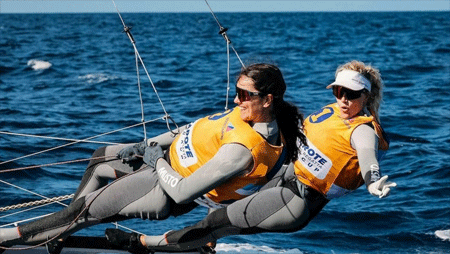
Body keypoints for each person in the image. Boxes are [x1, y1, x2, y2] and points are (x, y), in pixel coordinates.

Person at [0, 63, 306, 254]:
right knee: (100, 158)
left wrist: (154, 158)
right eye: (237, 92)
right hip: (159, 163)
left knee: (80, 214)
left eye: (244, 95)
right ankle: (59, 232)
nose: (237, 100)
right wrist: (144, 144)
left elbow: (182, 191)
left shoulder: (243, 150)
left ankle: (39, 231)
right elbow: (191, 130)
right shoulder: (245, 114)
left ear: (267, 100)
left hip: (162, 187)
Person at [105, 60, 397, 253]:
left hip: (295, 200)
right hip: (283, 184)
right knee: (219, 205)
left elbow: (367, 155)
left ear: (367, 98)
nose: (344, 100)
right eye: (339, 91)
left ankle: (139, 243)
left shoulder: (364, 130)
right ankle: (195, 247)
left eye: (353, 95)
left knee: (210, 225)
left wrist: (372, 181)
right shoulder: (334, 112)